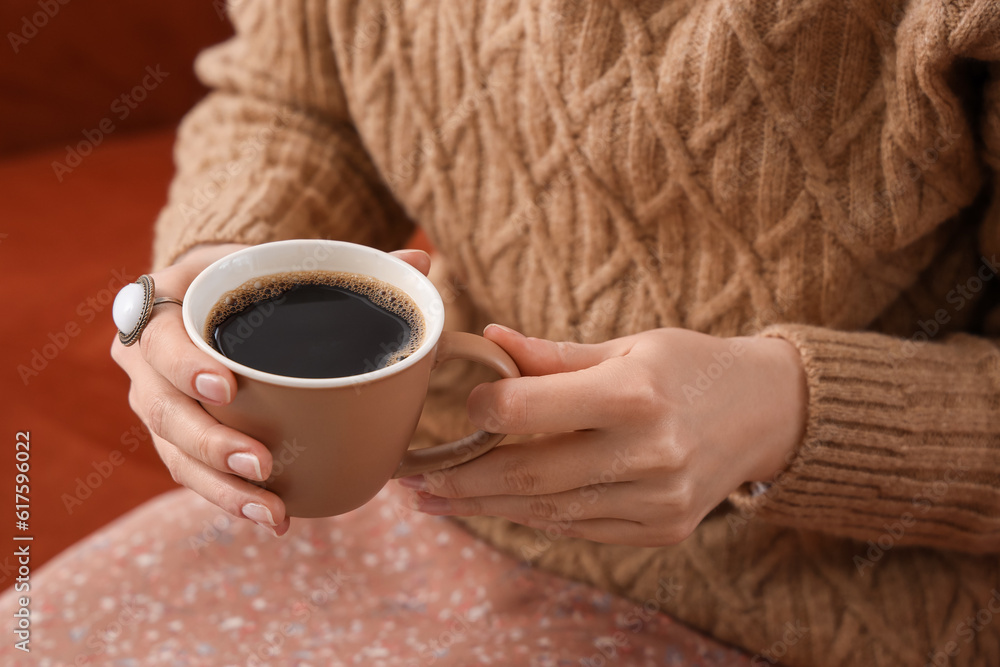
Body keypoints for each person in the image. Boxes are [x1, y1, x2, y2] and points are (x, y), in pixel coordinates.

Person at [11, 1, 1000, 665]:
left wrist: (792, 413)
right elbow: (295, 96)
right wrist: (208, 280)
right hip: (418, 497)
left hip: (849, 615)